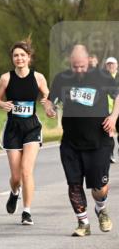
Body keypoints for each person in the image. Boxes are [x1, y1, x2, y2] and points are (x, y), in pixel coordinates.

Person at [48, 44, 119, 237]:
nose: (78, 70)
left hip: (99, 141)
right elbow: (51, 100)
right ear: (69, 64)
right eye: (74, 66)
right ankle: (83, 223)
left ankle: (101, 209)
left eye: (81, 66)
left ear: (88, 61)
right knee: (74, 184)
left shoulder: (102, 76)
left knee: (99, 187)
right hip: (71, 141)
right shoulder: (62, 79)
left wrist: (113, 117)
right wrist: (49, 108)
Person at [0, 40, 55, 225]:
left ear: (29, 57)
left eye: (22, 55)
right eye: (15, 55)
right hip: (12, 128)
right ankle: (14, 192)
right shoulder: (6, 78)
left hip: (32, 127)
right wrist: (2, 103)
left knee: (27, 171)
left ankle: (26, 211)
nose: (19, 58)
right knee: (16, 177)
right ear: (12, 59)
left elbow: (49, 97)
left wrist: (49, 107)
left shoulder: (38, 78)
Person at [105, 56, 118, 163]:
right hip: (106, 110)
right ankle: (110, 154)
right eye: (108, 64)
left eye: (112, 64)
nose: (110, 66)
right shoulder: (102, 77)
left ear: (116, 65)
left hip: (118, 109)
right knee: (109, 134)